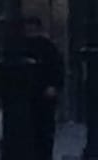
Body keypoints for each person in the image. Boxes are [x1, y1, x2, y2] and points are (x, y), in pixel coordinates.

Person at [25, 17, 65, 160]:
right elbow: (59, 68)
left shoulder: (46, 47)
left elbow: (58, 68)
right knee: (41, 130)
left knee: (42, 129)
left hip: (41, 94)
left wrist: (53, 86)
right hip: (37, 94)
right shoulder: (47, 46)